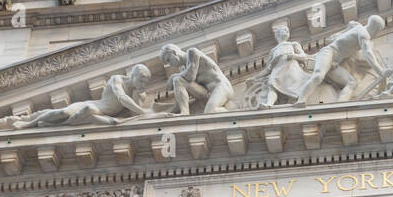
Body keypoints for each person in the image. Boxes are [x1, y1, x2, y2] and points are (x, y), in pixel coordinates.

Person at [12, 63, 155, 128]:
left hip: (100, 114)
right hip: (96, 106)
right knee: (65, 111)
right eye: (142, 80)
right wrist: (143, 111)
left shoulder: (137, 94)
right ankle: (29, 124)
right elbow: (122, 98)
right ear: (134, 75)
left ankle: (51, 124)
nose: (143, 84)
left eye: (145, 82)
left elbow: (134, 115)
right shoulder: (116, 79)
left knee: (87, 113)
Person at [295, 15, 389, 105]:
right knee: (318, 76)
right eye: (379, 29)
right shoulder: (363, 33)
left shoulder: (358, 29)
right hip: (328, 53)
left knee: (351, 82)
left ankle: (340, 105)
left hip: (334, 64)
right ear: (376, 27)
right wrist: (381, 71)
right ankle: (301, 99)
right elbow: (368, 54)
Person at [249, 23, 314, 107]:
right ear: (277, 34)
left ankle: (299, 100)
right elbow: (268, 69)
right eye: (284, 29)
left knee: (295, 85)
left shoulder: (293, 44)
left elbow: (304, 57)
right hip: (277, 70)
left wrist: (293, 56)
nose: (286, 31)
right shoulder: (273, 51)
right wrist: (255, 77)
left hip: (291, 69)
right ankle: (269, 104)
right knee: (272, 85)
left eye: (287, 30)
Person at [161, 43, 235, 114]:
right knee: (178, 80)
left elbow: (190, 76)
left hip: (222, 87)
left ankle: (234, 114)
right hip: (207, 94)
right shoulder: (183, 69)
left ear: (174, 52)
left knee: (210, 112)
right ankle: (184, 113)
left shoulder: (192, 53)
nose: (170, 64)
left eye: (168, 60)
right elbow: (170, 87)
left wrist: (173, 76)